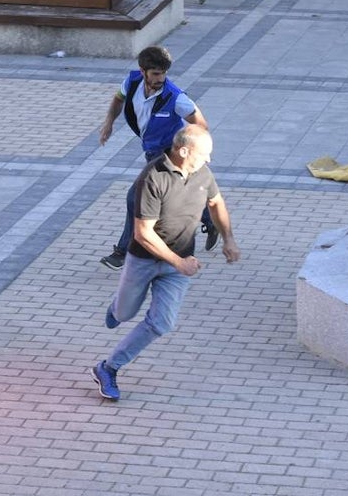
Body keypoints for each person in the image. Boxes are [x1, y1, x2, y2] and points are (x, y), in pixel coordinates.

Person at [91, 125, 240, 401]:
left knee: (162, 323)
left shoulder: (202, 174)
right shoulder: (152, 178)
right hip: (144, 259)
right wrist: (179, 263)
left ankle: (109, 367)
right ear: (183, 151)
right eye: (204, 154)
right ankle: (117, 307)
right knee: (124, 314)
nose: (208, 160)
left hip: (177, 265)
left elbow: (216, 203)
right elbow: (143, 233)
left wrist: (229, 238)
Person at [97, 46, 214, 270]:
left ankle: (122, 253)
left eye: (163, 73)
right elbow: (118, 100)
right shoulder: (131, 83)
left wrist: (184, 150)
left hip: (168, 154)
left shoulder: (175, 96)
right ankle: (210, 219)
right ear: (143, 72)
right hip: (151, 151)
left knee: (135, 198)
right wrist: (108, 123)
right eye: (155, 74)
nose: (160, 78)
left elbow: (201, 125)